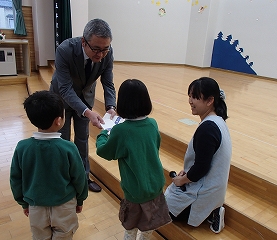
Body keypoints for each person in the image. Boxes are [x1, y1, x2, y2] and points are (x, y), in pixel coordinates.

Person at [96, 79, 172, 240]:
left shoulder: (120, 131)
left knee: (130, 228)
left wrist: (103, 134)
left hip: (135, 191)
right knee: (149, 225)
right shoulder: (152, 124)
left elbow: (105, 152)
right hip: (156, 185)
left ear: (122, 103)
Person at [10, 90, 88, 239]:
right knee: (64, 235)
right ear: (58, 121)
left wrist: (23, 202)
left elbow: (15, 179)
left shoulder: (22, 147)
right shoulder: (68, 148)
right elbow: (79, 178)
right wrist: (80, 199)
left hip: (35, 206)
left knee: (40, 236)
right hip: (64, 205)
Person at [50, 18, 117, 192]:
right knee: (62, 141)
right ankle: (63, 180)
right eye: (96, 49)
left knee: (82, 140)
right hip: (61, 99)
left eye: (105, 49)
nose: (100, 55)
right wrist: (87, 112)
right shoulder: (65, 50)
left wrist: (111, 106)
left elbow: (108, 83)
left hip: (85, 98)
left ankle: (83, 178)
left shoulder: (107, 53)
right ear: (83, 41)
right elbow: (64, 88)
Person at [164, 77, 232, 234]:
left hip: (204, 191)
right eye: (189, 96)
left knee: (162, 207)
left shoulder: (207, 129)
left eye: (195, 97)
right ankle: (213, 209)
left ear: (209, 101)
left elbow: (201, 167)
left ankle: (211, 211)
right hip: (215, 189)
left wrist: (182, 179)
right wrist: (187, 173)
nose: (190, 101)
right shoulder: (218, 121)